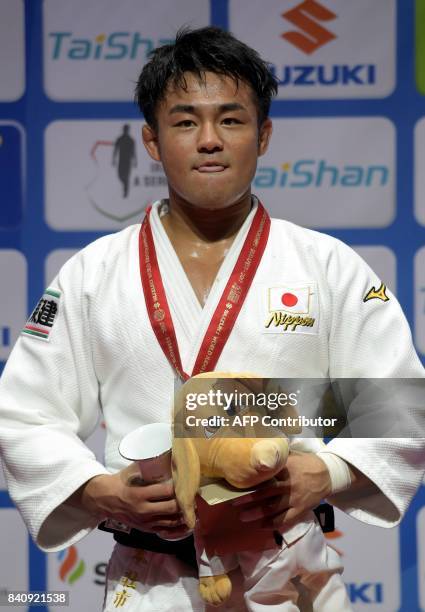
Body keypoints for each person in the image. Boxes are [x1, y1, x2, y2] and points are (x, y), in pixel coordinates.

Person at [0, 25, 424, 612]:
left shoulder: (327, 267)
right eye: (184, 121)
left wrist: (325, 473)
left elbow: (399, 406)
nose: (208, 141)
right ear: (151, 140)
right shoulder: (93, 273)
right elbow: (24, 413)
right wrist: (100, 491)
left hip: (287, 575)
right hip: (150, 579)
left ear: (263, 134)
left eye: (230, 120)